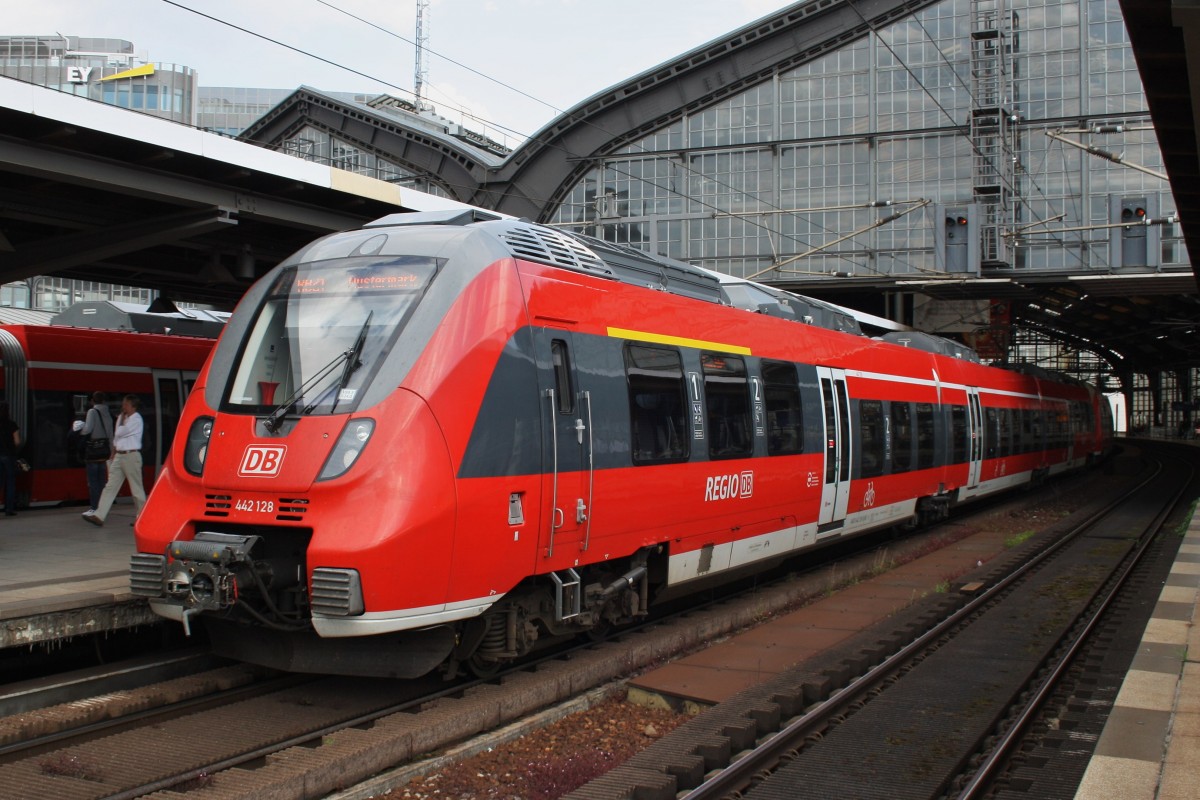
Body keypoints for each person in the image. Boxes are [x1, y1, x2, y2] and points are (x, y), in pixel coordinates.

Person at [83, 394, 145, 527]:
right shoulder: (122, 418)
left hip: (131, 455)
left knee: (136, 489)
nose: (123, 406)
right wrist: (113, 453)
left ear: (132, 406)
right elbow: (117, 438)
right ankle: (99, 515)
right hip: (119, 455)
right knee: (110, 486)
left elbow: (121, 432)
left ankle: (143, 518)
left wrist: (121, 420)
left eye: (126, 404)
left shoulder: (136, 419)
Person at [78, 391, 114, 516]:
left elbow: (88, 429)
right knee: (102, 481)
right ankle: (103, 507)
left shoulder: (92, 412)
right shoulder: (107, 412)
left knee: (93, 482)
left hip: (93, 451)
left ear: (93, 401)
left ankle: (94, 508)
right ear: (103, 401)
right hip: (103, 452)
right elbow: (110, 433)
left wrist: (79, 430)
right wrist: (111, 450)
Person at [0, 402, 18, 516]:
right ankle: (9, 509)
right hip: (9, 456)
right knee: (10, 482)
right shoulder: (12, 424)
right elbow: (17, 441)